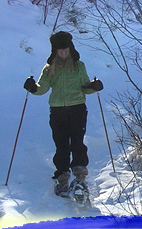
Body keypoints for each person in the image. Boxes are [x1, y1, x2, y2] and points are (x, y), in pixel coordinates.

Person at [23, 31, 103, 198]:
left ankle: (80, 173)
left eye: (66, 50)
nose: (64, 54)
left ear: (70, 48)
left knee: (77, 141)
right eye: (60, 51)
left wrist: (93, 87)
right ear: (55, 51)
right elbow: (42, 88)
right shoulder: (49, 68)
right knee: (61, 143)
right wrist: (32, 88)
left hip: (77, 108)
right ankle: (62, 175)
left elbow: (85, 86)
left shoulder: (78, 66)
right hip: (58, 110)